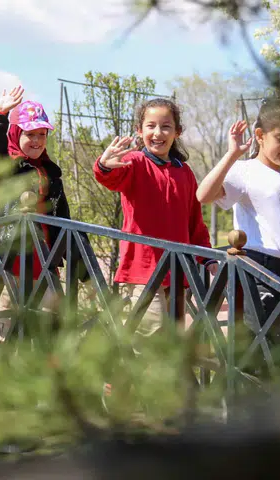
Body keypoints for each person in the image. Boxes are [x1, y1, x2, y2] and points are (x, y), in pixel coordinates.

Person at [93, 97, 216, 338]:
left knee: (173, 340)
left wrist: (207, 257)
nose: (158, 133)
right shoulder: (134, 162)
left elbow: (194, 223)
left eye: (166, 126)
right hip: (143, 271)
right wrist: (104, 165)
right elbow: (110, 178)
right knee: (150, 338)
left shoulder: (185, 172)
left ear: (177, 132)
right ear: (140, 130)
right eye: (151, 126)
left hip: (178, 271)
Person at [196, 98, 280, 345]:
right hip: (259, 274)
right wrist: (231, 154)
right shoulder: (245, 170)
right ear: (260, 136)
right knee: (260, 351)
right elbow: (203, 195)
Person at [0, 85, 89, 339]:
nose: (37, 141)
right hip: (11, 263)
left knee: (51, 328)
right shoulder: (8, 169)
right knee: (5, 330)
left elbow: (64, 223)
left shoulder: (51, 174)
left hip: (45, 262)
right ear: (16, 134)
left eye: (42, 134)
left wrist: (86, 273)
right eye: (30, 134)